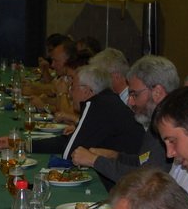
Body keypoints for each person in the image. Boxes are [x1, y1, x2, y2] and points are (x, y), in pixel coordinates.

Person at [71, 55, 178, 186]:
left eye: (135, 94)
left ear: (157, 92)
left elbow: (147, 180)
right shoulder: (156, 122)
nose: (130, 102)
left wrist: (95, 161)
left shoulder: (172, 127)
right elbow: (143, 161)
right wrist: (115, 156)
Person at [9, 65, 144, 160]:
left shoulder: (96, 104)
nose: (70, 92)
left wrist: (22, 145)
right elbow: (70, 143)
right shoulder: (108, 101)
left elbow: (69, 152)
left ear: (86, 90)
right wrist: (24, 144)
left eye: (72, 88)